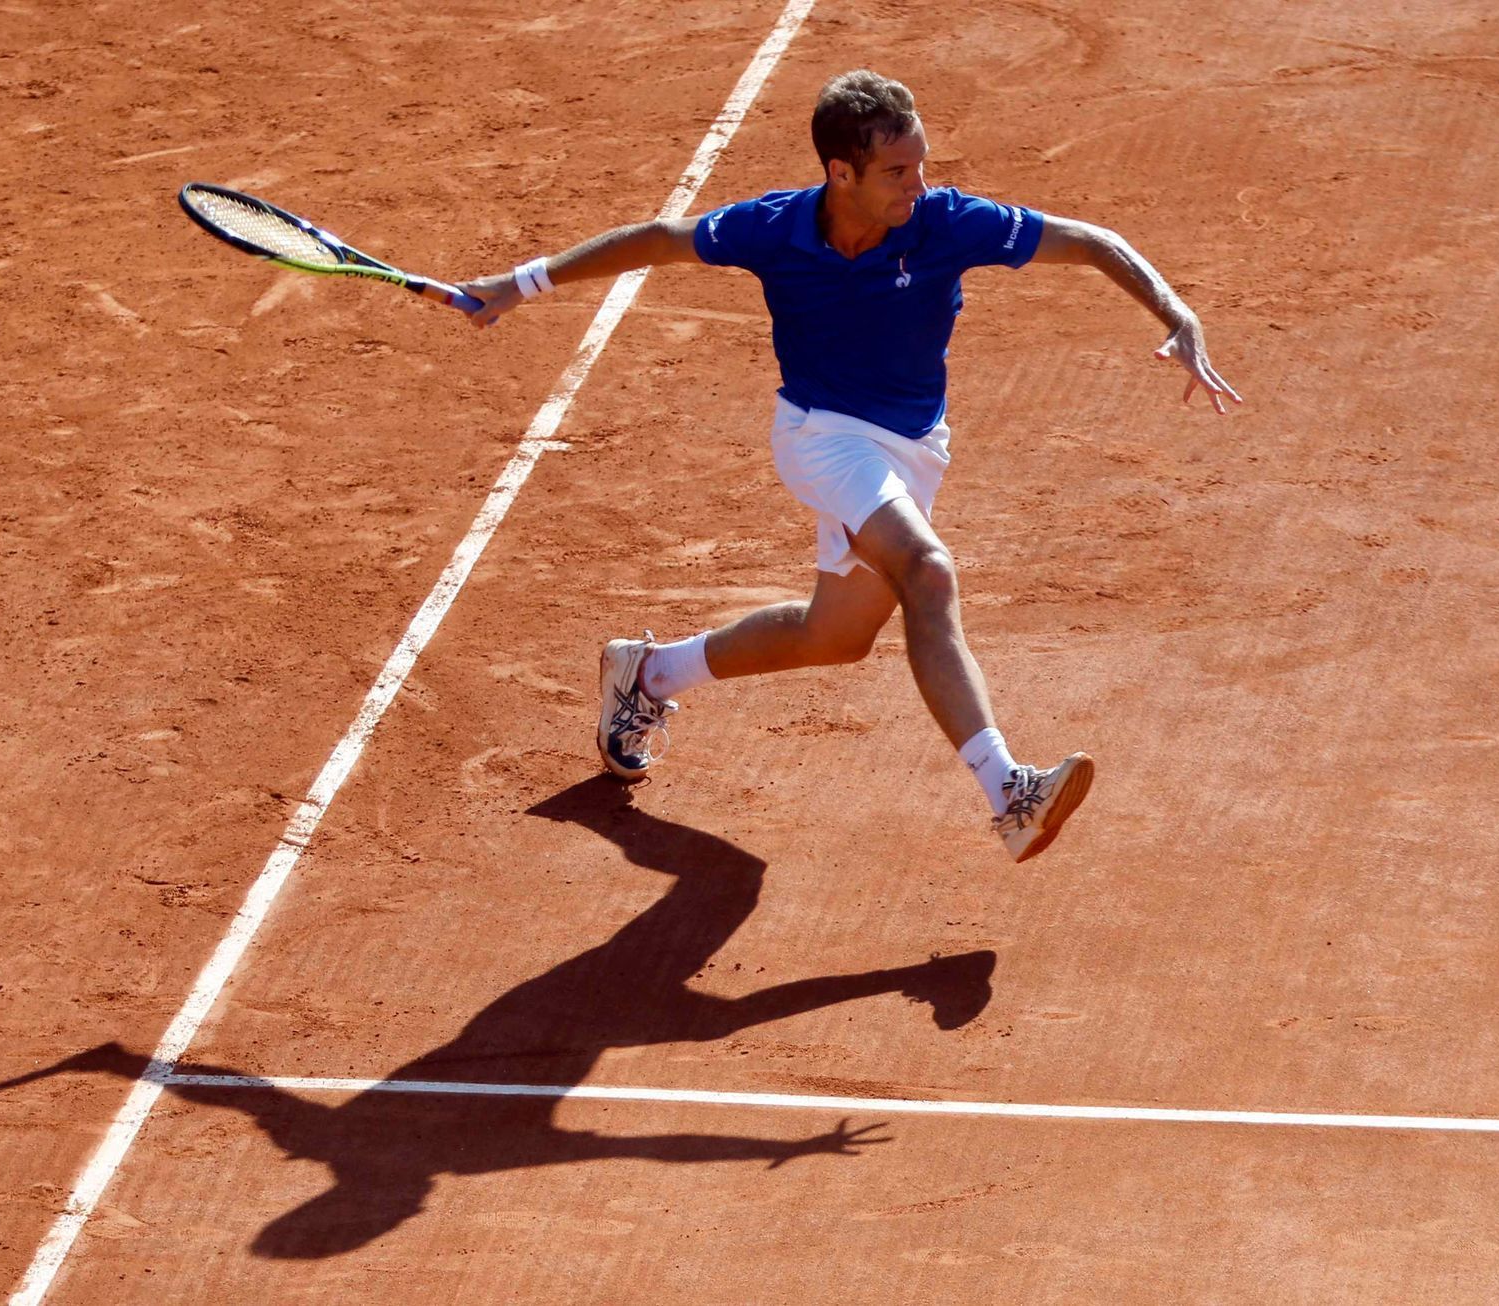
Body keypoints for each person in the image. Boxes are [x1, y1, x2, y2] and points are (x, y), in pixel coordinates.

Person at [459, 70, 1240, 863]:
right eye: (898, 173)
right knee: (927, 573)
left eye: (922, 165)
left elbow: (1093, 242)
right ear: (841, 173)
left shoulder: (947, 222)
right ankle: (1010, 791)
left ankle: (650, 674)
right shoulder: (772, 229)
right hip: (822, 437)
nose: (919, 185)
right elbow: (663, 239)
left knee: (833, 637)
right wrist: (522, 284)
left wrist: (1178, 313)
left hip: (913, 447)